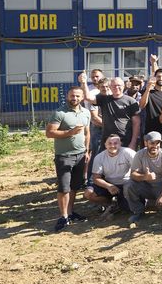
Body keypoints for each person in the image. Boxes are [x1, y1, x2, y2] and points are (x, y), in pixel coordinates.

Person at [46, 86, 91, 232]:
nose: (75, 98)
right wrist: (69, 132)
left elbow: (87, 133)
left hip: (80, 155)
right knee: (64, 187)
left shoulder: (86, 112)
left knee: (74, 187)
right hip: (64, 156)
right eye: (72, 96)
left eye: (78, 96)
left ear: (82, 97)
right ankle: (63, 216)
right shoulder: (60, 112)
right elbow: (49, 133)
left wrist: (87, 150)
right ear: (67, 96)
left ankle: (70, 213)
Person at [124, 131, 162, 229]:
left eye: (158, 143)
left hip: (161, 187)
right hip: (146, 186)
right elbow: (133, 174)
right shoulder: (139, 154)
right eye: (152, 143)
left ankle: (159, 206)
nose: (155, 146)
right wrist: (145, 177)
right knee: (128, 185)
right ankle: (138, 211)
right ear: (146, 142)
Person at [84, 134, 135, 215]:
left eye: (115, 143)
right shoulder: (99, 157)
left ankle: (123, 203)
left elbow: (138, 170)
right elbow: (96, 178)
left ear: (120, 143)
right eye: (110, 143)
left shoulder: (128, 152)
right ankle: (110, 204)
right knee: (88, 193)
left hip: (126, 183)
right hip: (109, 183)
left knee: (128, 209)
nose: (112, 146)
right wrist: (108, 186)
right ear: (105, 144)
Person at [93, 77, 141, 153]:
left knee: (125, 163)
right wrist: (83, 83)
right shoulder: (104, 99)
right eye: (114, 86)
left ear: (123, 86)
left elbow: (136, 123)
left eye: (119, 85)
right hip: (107, 141)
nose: (116, 87)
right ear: (110, 87)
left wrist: (133, 142)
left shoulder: (131, 101)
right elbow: (88, 98)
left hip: (125, 140)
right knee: (106, 163)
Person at [139, 66, 162, 150]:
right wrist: (148, 88)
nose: (161, 79)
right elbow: (141, 105)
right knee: (150, 158)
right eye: (158, 76)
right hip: (150, 130)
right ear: (155, 78)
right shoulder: (149, 92)